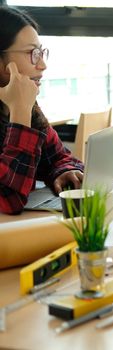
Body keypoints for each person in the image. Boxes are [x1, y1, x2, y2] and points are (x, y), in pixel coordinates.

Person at [0, 6, 83, 215]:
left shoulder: (27, 106)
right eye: (32, 54)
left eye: (41, 52)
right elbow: (7, 200)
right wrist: (20, 111)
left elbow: (60, 157)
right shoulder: (21, 105)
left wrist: (64, 172)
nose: (43, 65)